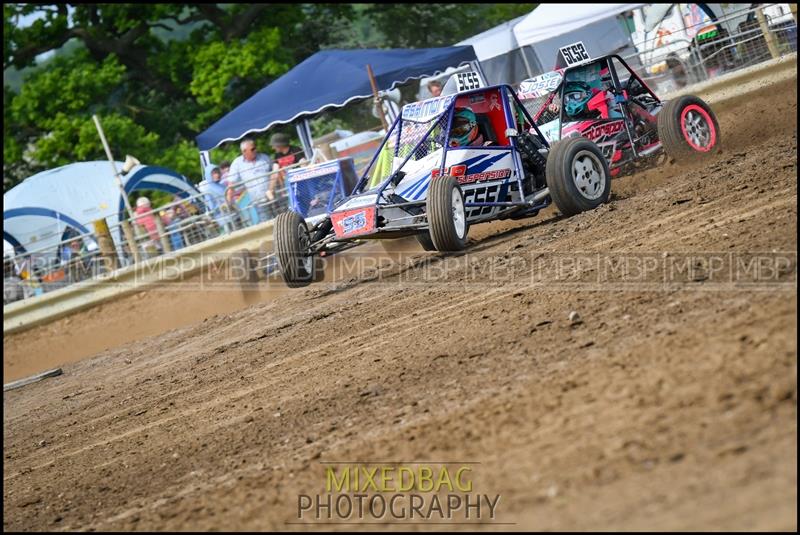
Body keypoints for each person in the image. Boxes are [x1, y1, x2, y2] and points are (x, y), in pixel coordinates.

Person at [227, 138, 273, 224]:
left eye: (255, 147)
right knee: (267, 222)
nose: (255, 150)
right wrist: (229, 202)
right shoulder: (237, 163)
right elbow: (231, 183)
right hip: (258, 200)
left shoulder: (264, 157)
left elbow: (274, 174)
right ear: (244, 151)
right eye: (252, 149)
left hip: (273, 196)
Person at [267, 133, 307, 218]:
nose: (273, 148)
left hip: (301, 181)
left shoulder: (295, 150)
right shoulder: (277, 155)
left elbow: (304, 165)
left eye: (274, 145)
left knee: (305, 201)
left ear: (280, 144)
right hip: (289, 184)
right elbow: (275, 173)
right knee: (293, 205)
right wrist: (270, 189)